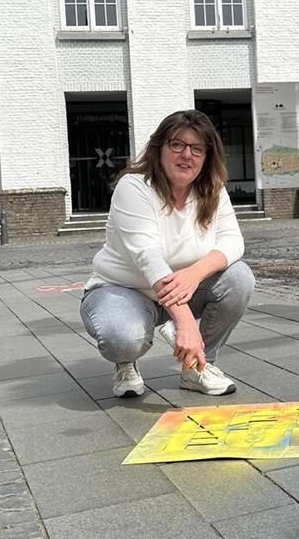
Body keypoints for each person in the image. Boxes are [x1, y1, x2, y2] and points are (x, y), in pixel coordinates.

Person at [80, 110, 254, 398]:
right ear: (159, 147)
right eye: (177, 144)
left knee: (239, 277)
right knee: (124, 338)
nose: (187, 155)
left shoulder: (212, 188)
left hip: (183, 288)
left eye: (197, 148)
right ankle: (126, 362)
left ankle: (198, 366)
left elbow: (233, 241)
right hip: (124, 290)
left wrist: (194, 274)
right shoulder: (133, 187)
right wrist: (186, 324)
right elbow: (149, 258)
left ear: (207, 156)